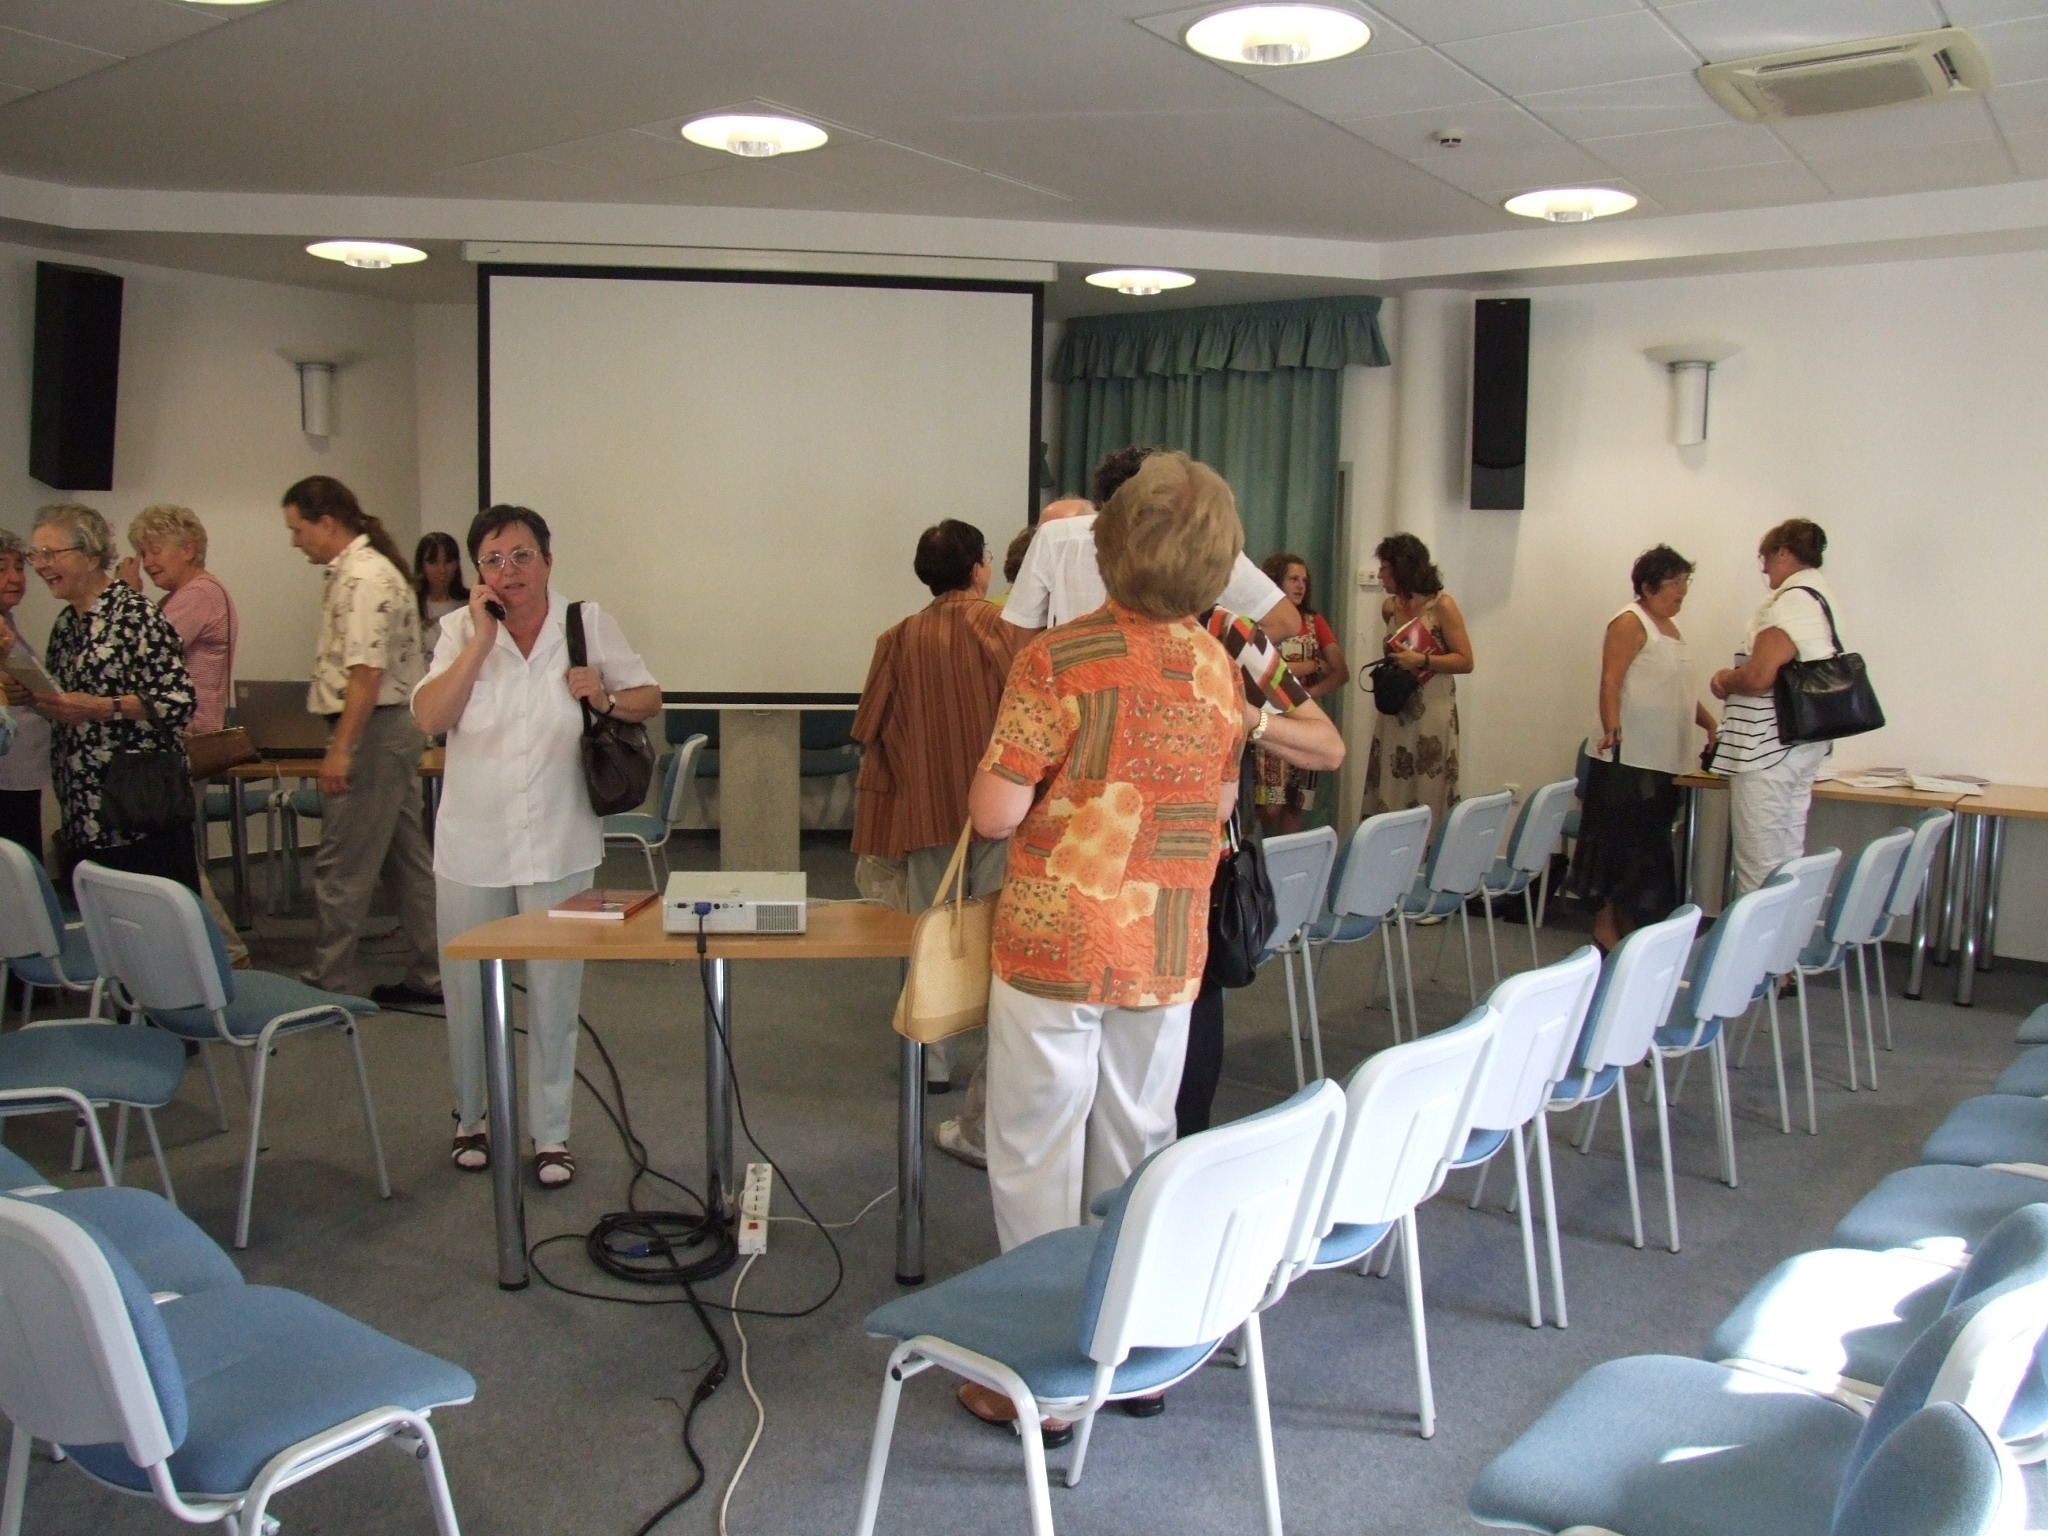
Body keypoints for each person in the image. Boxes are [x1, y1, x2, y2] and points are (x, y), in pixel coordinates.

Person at [958, 451, 1244, 1436]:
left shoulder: (1057, 659)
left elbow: (994, 813)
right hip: (1164, 941)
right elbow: (1217, 801)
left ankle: (1039, 1378)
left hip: (1058, 936)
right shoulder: (1217, 667)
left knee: (1034, 1147)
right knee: (1137, 1140)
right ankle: (1128, 1347)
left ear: (1107, 545)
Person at [414, 504, 660, 1187]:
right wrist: (479, 643)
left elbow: (648, 695)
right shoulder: (458, 630)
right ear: (478, 573)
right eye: (493, 560)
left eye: (522, 555)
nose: (509, 571)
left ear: (548, 561)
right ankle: (472, 1117)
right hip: (473, 845)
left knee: (554, 992)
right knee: (467, 988)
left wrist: (604, 698)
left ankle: (550, 1133)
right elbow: (431, 716)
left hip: (559, 840)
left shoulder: (585, 624)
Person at [849, 520, 1017, 1097]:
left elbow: (869, 727)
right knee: (1001, 936)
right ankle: (1000, 1064)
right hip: (1002, 806)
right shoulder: (1007, 630)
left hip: (924, 808)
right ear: (976, 569)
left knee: (932, 934)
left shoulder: (896, 639)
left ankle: (932, 1061)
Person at [282, 475, 440, 1004]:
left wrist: (341, 750)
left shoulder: (365, 578)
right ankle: (437, 971)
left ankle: (325, 982)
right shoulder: (364, 571)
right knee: (406, 860)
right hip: (389, 730)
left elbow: (365, 676)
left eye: (298, 529)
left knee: (342, 865)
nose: (295, 541)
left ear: (327, 523)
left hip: (374, 731)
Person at [8, 504, 196, 888]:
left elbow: (178, 700)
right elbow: (66, 705)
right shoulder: (66, 624)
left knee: (153, 918)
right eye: (35, 555)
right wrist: (32, 698)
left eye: (50, 553)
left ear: (91, 555)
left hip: (135, 813)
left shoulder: (134, 615)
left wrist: (102, 707)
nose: (40, 566)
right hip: (82, 810)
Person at [120, 505, 251, 966]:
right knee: (172, 851)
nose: (148, 561)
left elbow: (141, 656)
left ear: (189, 549)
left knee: (173, 854)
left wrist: (126, 597)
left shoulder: (198, 595)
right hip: (182, 739)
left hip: (183, 740)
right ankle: (208, 951)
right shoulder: (188, 595)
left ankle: (227, 952)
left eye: (155, 550)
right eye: (142, 552)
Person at [1574, 545, 1718, 952]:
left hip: (1663, 758)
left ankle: (1632, 925)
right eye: (1675, 582)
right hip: (1628, 757)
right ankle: (1604, 927)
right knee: (1615, 843)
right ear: (1649, 585)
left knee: (1644, 848)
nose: (1682, 590)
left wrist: (1709, 723)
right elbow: (1611, 679)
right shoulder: (1629, 621)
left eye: (1686, 581)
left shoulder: (1670, 628)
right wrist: (1612, 727)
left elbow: (1680, 693)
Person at [1002, 448, 1302, 640]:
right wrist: (1209, 657)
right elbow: (1285, 622)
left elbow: (1020, 638)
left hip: (1074, 700)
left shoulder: (1057, 537)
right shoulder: (1203, 544)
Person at [1710, 518, 1842, 896]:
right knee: (1785, 863)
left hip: (1767, 752)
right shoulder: (1819, 597)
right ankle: (1785, 935)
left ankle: (1759, 936)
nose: (1764, 569)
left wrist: (1724, 679)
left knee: (1758, 873)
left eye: (1765, 558)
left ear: (1783, 553)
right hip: (1797, 748)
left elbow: (1758, 678)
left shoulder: (1790, 603)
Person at [1361, 532, 1471, 827]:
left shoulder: (1442, 606)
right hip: (1397, 712)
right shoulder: (1390, 607)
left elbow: (1466, 660)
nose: (1380, 575)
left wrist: (1422, 660)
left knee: (1428, 788)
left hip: (1431, 714)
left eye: (1385, 568)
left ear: (1402, 568)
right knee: (1391, 786)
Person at [1253, 551, 1348, 834]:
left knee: (1297, 803)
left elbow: (1340, 671)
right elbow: (1262, 668)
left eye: (1304, 581)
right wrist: (1309, 665)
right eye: (1293, 579)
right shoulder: (1259, 621)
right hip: (1272, 722)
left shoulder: (1315, 621)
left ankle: (1288, 859)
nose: (1300, 586)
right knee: (1270, 804)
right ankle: (1252, 850)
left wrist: (1311, 692)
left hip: (1307, 725)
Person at [0, 530, 53, 863]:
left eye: (19, 568)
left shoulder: (7, 623)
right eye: (2, 568)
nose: (15, 578)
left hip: (20, 774)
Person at [414, 531, 469, 658]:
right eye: (433, 562)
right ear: (422, 565)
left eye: (448, 561)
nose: (442, 570)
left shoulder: (469, 604)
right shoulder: (411, 604)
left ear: (457, 563)